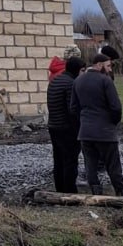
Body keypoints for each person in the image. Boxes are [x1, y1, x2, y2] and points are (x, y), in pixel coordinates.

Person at [72, 54, 123, 196]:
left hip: (86, 132)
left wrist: (84, 120)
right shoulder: (105, 81)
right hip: (105, 132)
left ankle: (96, 193)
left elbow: (73, 108)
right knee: (113, 166)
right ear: (99, 65)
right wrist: (112, 123)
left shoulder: (78, 81)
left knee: (90, 165)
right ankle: (122, 194)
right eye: (108, 66)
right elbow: (116, 107)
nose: (110, 70)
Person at [46, 56, 85, 193]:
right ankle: (69, 191)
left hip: (53, 126)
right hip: (67, 129)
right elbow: (72, 110)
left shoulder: (55, 80)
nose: (83, 74)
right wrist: (78, 130)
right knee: (70, 160)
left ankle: (60, 188)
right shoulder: (70, 83)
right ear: (76, 70)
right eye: (82, 70)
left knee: (58, 160)